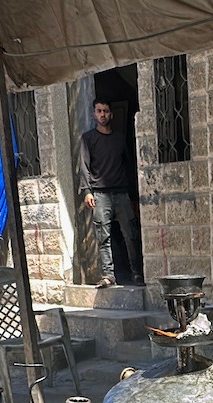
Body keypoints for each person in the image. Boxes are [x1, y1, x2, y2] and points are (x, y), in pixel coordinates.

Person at [80, 98, 143, 288]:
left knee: (131, 235)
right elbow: (84, 166)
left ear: (111, 114)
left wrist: (134, 195)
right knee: (103, 237)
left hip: (122, 193)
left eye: (106, 111)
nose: (103, 115)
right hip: (100, 195)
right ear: (94, 114)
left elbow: (129, 166)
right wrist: (87, 191)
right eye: (99, 111)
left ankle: (137, 273)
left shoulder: (119, 138)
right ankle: (108, 275)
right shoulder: (88, 139)